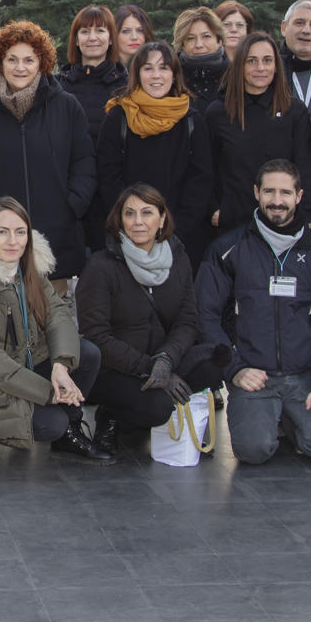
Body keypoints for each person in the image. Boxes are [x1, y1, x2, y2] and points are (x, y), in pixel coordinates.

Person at [196, 160, 311, 466]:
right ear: (256, 193)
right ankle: (272, 419)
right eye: (269, 191)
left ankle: (288, 420)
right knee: (254, 452)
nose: (276, 201)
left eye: (285, 192)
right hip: (254, 375)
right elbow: (204, 316)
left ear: (299, 195)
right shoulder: (228, 248)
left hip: (305, 375)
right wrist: (235, 369)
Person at [0, 198, 111, 464]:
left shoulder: (28, 270)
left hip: (24, 365)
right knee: (52, 423)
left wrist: (60, 366)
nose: (13, 241)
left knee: (87, 354)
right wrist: (49, 392)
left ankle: (70, 432)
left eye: (20, 232)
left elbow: (59, 315)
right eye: (2, 232)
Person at [78, 185, 228, 450]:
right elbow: (95, 335)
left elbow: (187, 321)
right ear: (119, 220)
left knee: (213, 365)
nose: (138, 221)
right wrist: (149, 367)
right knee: (158, 407)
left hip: (162, 358)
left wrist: (166, 360)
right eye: (130, 213)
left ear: (161, 219)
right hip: (114, 370)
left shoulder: (178, 259)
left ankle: (139, 413)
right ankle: (112, 415)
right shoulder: (101, 265)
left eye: (147, 213)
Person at [0, 20, 98, 282]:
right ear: (0, 61)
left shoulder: (67, 107)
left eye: (29, 60)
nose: (20, 68)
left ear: (41, 63)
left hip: (56, 239)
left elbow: (84, 161)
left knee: (53, 319)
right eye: (12, 59)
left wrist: (71, 207)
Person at [204, 31, 311, 244]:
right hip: (232, 224)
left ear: (276, 66)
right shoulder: (218, 112)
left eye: (267, 60)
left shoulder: (294, 111)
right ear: (240, 66)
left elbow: (305, 167)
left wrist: (309, 214)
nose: (261, 68)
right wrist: (214, 210)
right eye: (252, 61)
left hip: (283, 223)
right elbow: (207, 169)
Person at [95, 41, 212, 243]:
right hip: (128, 234)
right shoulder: (119, 117)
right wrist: (132, 223)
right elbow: (108, 176)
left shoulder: (191, 120)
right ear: (137, 74)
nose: (156, 75)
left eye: (163, 68)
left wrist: (174, 230)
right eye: (148, 68)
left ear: (174, 74)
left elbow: (200, 180)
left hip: (179, 237)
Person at [59, 4, 125, 148]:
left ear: (111, 39)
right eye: (85, 31)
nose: (92, 38)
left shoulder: (126, 87)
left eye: (100, 31)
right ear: (76, 40)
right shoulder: (57, 86)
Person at [172, 6, 230, 110]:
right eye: (191, 38)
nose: (199, 45)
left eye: (206, 36)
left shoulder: (235, 75)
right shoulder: (171, 77)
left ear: (219, 40)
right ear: (182, 43)